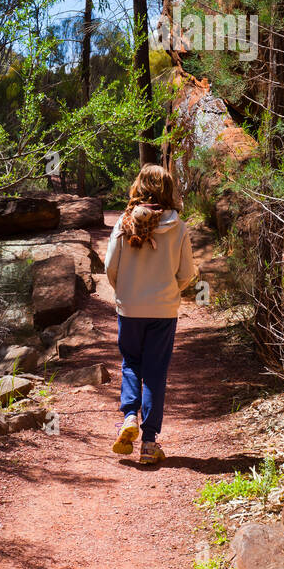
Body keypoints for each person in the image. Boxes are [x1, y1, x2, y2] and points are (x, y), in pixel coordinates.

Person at [105, 164, 197, 464]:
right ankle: (148, 442)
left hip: (129, 308)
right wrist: (171, 290)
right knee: (155, 370)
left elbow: (110, 268)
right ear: (168, 190)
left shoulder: (122, 222)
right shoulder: (179, 227)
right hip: (163, 309)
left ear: (138, 186)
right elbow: (187, 273)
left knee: (131, 362)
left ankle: (129, 416)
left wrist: (125, 291)